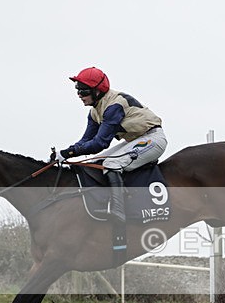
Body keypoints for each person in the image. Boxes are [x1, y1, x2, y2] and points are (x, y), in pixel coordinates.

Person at [56, 67, 167, 224]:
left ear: (97, 91)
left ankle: (118, 210)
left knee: (112, 163)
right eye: (77, 90)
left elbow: (100, 143)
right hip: (134, 141)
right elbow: (85, 141)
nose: (80, 95)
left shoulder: (113, 106)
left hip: (154, 139)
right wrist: (63, 153)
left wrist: (69, 153)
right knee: (95, 162)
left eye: (84, 91)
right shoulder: (95, 111)